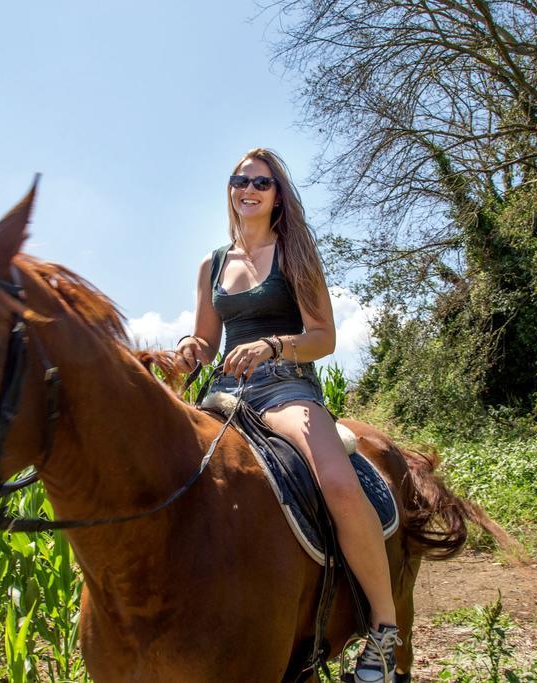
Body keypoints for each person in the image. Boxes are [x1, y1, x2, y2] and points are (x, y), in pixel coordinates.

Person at [175, 148, 400, 682]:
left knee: (339, 484)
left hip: (286, 391)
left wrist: (273, 346)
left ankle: (384, 634)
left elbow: (324, 337)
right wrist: (188, 347)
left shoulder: (294, 253)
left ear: (278, 197)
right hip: (224, 395)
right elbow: (208, 341)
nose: (248, 189)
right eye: (240, 180)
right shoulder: (212, 265)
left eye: (261, 182)